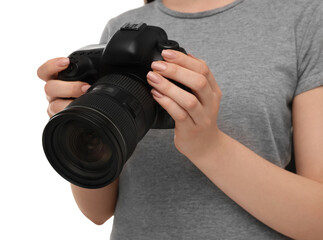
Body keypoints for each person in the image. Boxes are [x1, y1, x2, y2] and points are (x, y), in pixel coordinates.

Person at [37, 0, 323, 239]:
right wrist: (82, 123)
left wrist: (208, 147)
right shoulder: (122, 26)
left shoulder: (304, 16)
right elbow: (97, 211)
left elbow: (317, 220)